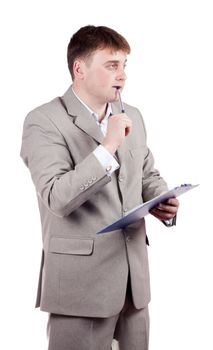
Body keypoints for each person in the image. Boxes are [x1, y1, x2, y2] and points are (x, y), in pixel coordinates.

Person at [20, 25, 179, 350]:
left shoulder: (131, 114)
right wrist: (106, 148)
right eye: (111, 65)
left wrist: (162, 199)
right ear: (79, 69)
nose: (122, 75)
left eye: (124, 65)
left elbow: (146, 173)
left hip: (134, 286)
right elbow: (57, 196)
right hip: (80, 286)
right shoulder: (43, 121)